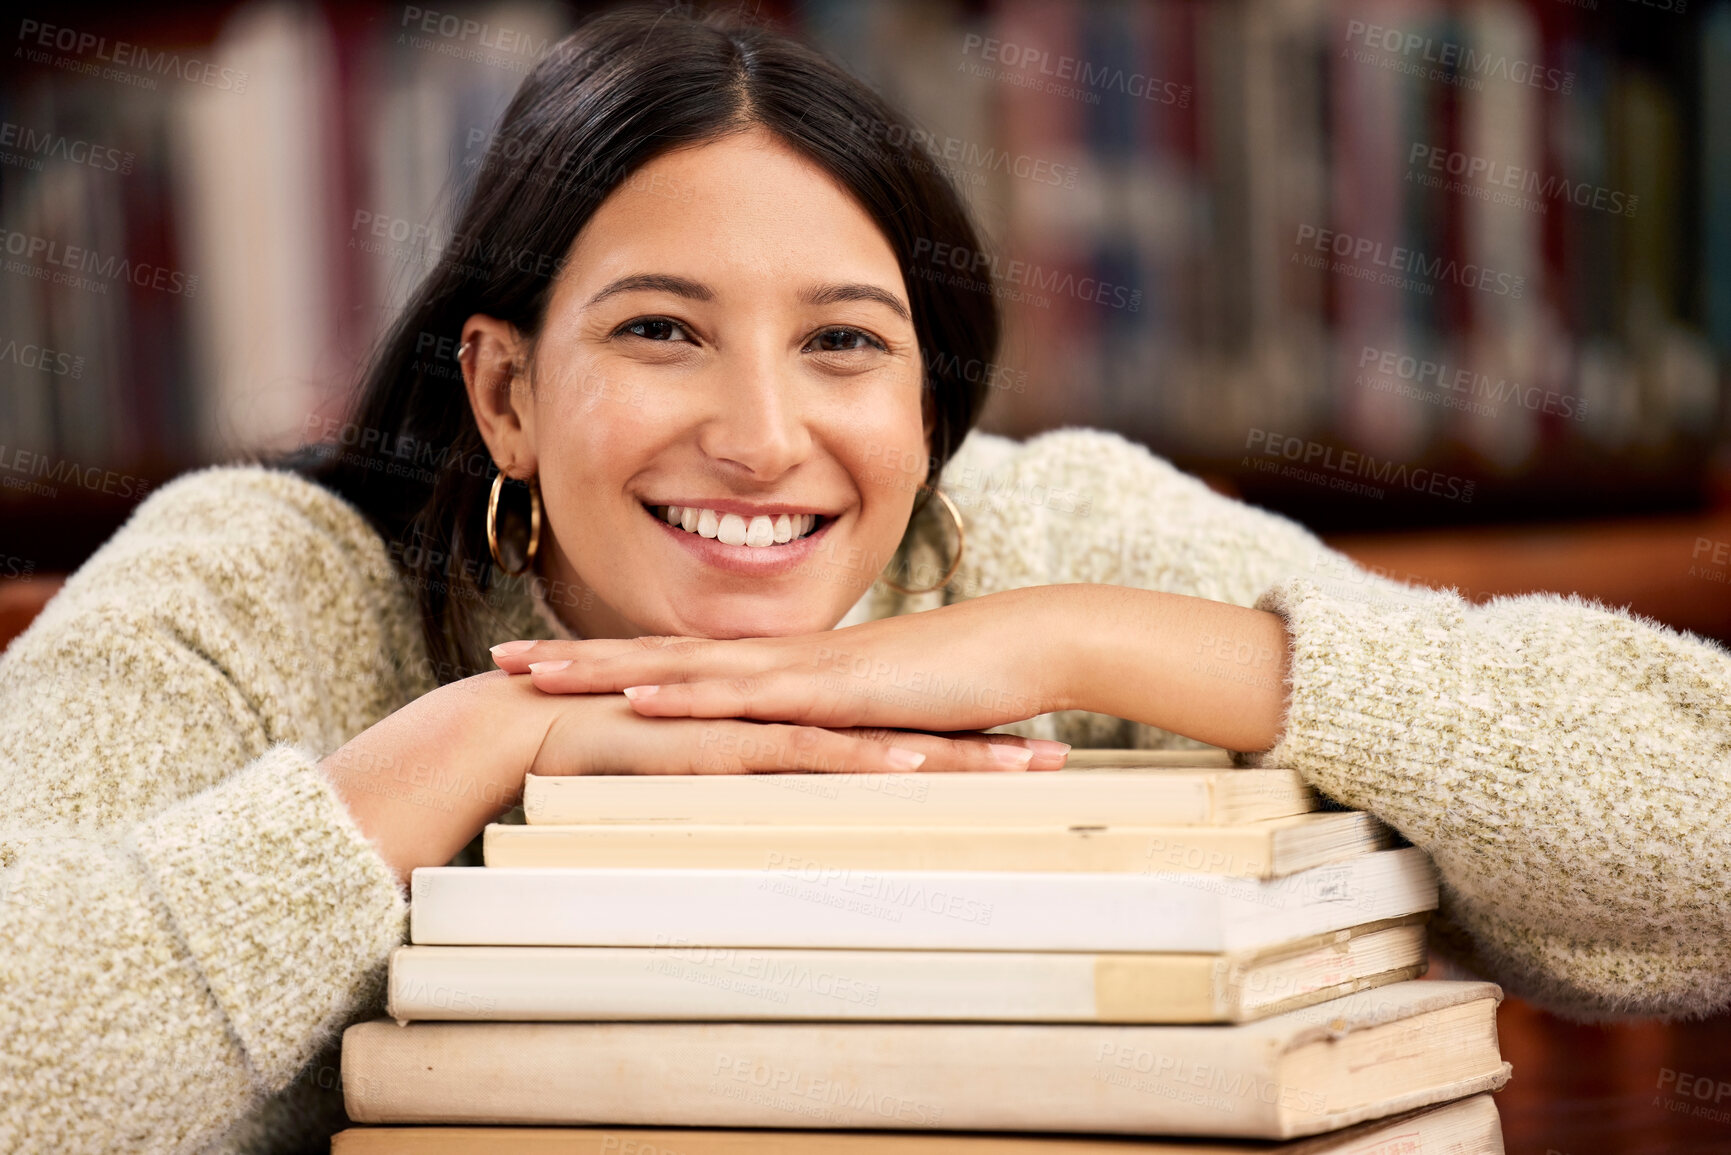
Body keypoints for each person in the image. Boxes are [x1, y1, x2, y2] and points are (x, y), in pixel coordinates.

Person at [2, 7, 1726, 1153]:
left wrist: (1082, 640)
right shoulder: (265, 585)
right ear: (506, 392)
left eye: (844, 344)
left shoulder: (1040, 536)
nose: (761, 439)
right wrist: (465, 749)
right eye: (663, 332)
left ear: (928, 403)